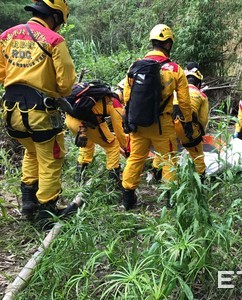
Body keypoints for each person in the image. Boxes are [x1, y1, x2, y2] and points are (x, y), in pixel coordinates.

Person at [0, 0, 76, 224]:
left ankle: (27, 201)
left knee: (31, 152)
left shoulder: (7, 36)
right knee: (52, 156)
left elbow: (2, 73)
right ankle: (47, 211)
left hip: (12, 111)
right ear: (55, 16)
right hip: (40, 113)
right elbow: (66, 84)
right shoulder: (54, 40)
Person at [121, 24, 193, 210]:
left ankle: (128, 198)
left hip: (139, 123)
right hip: (162, 125)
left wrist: (128, 119)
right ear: (168, 44)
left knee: (136, 158)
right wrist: (188, 123)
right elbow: (184, 102)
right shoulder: (175, 69)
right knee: (169, 159)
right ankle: (170, 202)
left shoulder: (136, 65)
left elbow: (127, 97)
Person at [65, 91, 128, 184]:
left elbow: (100, 121)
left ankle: (79, 179)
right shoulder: (115, 103)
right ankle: (113, 181)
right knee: (112, 146)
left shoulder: (100, 95)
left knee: (87, 144)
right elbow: (119, 131)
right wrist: (126, 147)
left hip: (70, 120)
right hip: (84, 123)